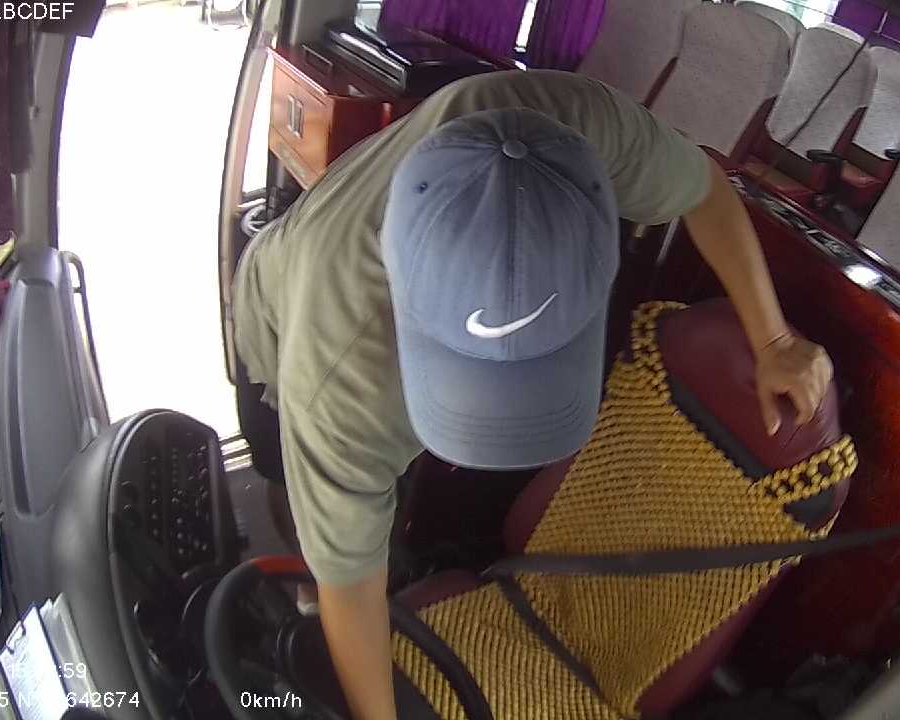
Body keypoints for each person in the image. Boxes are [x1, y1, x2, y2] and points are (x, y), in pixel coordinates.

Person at [232, 69, 834, 720]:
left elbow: (704, 188)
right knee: (312, 515)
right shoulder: (340, 382)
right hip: (279, 313)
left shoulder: (568, 127)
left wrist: (773, 340)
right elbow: (350, 588)